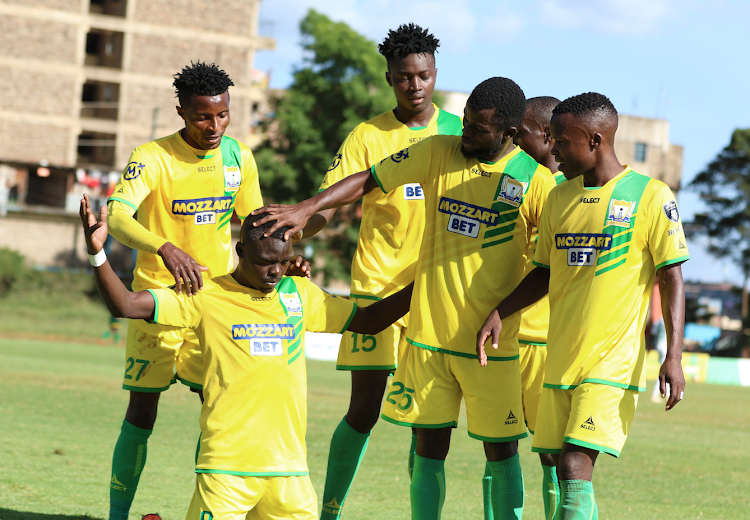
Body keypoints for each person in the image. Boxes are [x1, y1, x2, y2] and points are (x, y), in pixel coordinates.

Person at [252, 77, 558, 520]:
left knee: (501, 450)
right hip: (429, 339)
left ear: (509, 134)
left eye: (478, 128)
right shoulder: (438, 151)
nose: (466, 132)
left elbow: (547, 269)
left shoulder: (535, 184)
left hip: (489, 346)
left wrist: (500, 311)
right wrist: (307, 208)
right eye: (466, 120)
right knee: (429, 444)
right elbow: (369, 180)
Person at [79, 195, 413, 519]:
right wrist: (98, 254)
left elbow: (368, 322)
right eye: (266, 261)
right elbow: (124, 304)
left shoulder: (298, 294)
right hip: (226, 471)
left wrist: (422, 283)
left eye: (283, 261)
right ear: (241, 251)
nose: (275, 271)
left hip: (289, 473)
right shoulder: (205, 295)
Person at [476, 92, 689, 519]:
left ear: (595, 140)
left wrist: (674, 355)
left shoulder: (650, 196)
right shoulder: (558, 198)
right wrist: (501, 311)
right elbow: (544, 272)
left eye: (561, 141)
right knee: (560, 468)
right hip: (561, 362)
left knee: (576, 465)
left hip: (611, 364)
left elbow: (671, 277)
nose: (553, 150)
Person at [300, 23, 462, 519]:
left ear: (435, 74)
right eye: (404, 78)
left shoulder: (461, 132)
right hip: (376, 287)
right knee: (364, 410)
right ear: (389, 78)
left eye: (424, 75)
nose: (415, 86)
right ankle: (329, 512)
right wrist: (294, 233)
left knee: (427, 420)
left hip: (436, 292)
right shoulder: (368, 135)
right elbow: (331, 203)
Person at [105, 62, 264, 520]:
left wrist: (283, 257)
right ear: (181, 112)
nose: (214, 126)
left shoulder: (238, 158)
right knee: (141, 414)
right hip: (155, 302)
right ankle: (117, 516)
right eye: (202, 117)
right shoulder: (152, 156)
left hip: (214, 306)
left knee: (219, 416)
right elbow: (118, 217)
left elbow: (254, 227)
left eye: (222, 115)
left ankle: (207, 514)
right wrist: (165, 248)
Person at [509, 96, 564, 520]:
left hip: (544, 343)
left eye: (519, 131)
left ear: (547, 137)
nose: (511, 136)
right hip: (504, 336)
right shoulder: (513, 181)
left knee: (553, 455)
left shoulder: (565, 197)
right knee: (499, 444)